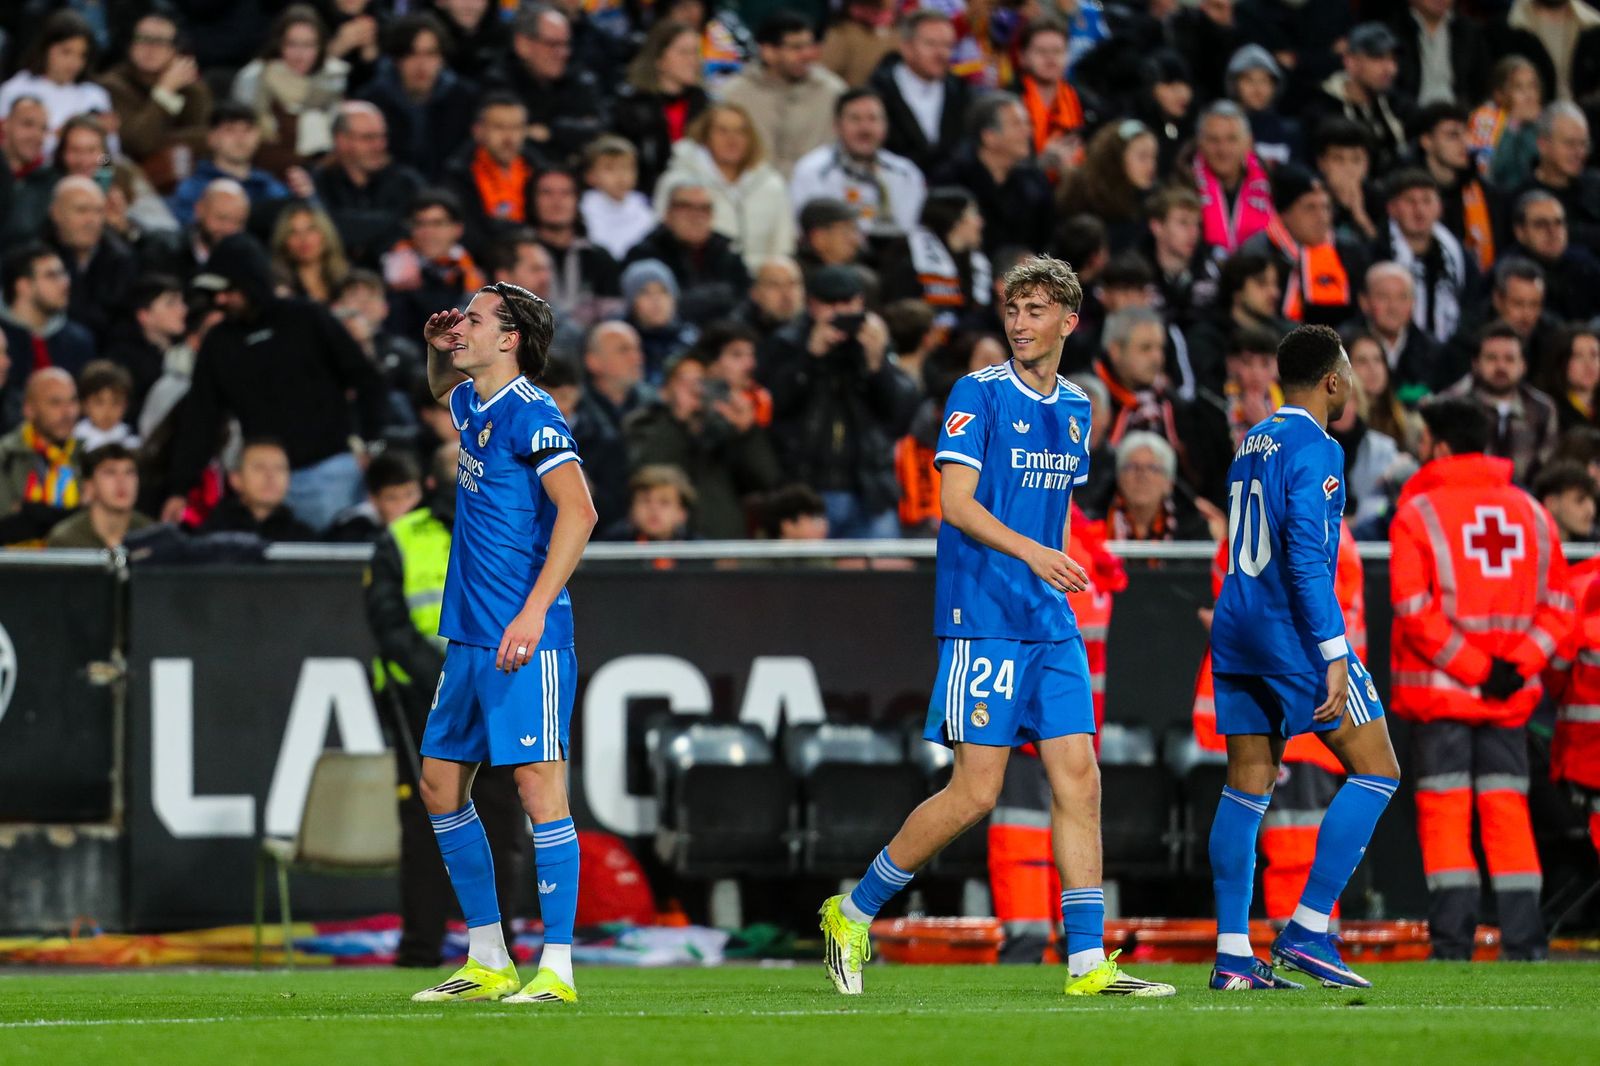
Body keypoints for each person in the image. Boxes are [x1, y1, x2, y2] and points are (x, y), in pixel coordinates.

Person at [817, 255, 1173, 998]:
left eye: (1036, 310)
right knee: (977, 792)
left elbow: (1053, 512)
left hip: (1048, 619)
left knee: (1080, 778)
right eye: (1013, 309)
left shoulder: (1077, 407)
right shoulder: (976, 393)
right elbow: (955, 504)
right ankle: (852, 912)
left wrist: (1060, 562)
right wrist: (1036, 553)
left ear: (1069, 321)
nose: (1019, 323)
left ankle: (1087, 963)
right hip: (982, 616)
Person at [410, 279, 598, 1005]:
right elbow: (441, 389)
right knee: (438, 783)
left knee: (537, 786)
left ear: (510, 339)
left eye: (475, 319)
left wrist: (533, 612)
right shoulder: (472, 402)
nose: (462, 325)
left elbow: (579, 512)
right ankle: (488, 956)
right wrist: (438, 348)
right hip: (469, 634)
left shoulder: (533, 413)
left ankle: (558, 968)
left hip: (525, 636)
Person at [1205, 324, 1402, 992]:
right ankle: (1310, 928)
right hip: (1289, 632)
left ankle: (1233, 955)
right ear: (1331, 381)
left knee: (1246, 786)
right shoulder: (1318, 447)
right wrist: (1335, 650)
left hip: (1236, 626)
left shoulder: (1251, 442)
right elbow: (1306, 558)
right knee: (1378, 770)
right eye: (1349, 375)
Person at [1390, 395, 1575, 961]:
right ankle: (1525, 941)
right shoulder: (1532, 512)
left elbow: (1413, 608)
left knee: (1447, 817)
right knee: (1508, 814)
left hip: (1444, 697)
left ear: (1441, 446)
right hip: (1509, 700)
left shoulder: (1418, 513)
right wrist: (1513, 668)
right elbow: (1560, 606)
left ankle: (1452, 943)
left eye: (1425, 442)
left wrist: (1478, 670)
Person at [365, 442, 527, 967]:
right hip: (422, 700)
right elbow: (390, 628)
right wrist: (452, 681)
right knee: (429, 819)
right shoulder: (401, 538)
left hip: (496, 690)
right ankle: (423, 948)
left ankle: (495, 948)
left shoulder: (511, 528)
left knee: (498, 816)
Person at [163, 234, 386, 533]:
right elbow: (201, 419)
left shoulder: (307, 318)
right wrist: (180, 487)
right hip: (261, 482)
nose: (221, 300)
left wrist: (372, 442)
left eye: (229, 291)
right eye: (216, 294)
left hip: (329, 471)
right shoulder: (219, 342)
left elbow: (366, 379)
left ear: (251, 283)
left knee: (334, 558)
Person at [762, 265, 918, 539]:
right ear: (812, 304)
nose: (839, 312)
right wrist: (811, 358)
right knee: (812, 567)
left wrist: (876, 364)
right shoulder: (787, 342)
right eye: (829, 304)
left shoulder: (874, 341)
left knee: (880, 567)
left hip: (869, 490)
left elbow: (899, 414)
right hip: (807, 490)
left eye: (846, 303)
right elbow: (775, 407)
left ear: (860, 302)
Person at [623, 352, 780, 539]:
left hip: (723, 544)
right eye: (685, 381)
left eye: (702, 381)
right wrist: (677, 420)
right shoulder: (645, 424)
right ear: (665, 390)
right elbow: (647, 473)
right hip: (669, 542)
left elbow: (766, 481)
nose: (696, 389)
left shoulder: (726, 431)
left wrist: (747, 433)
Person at [652, 102, 796, 272]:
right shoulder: (677, 183)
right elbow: (663, 235)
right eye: (722, 131)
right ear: (705, 136)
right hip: (701, 276)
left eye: (740, 131)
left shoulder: (772, 185)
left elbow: (782, 245)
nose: (732, 139)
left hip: (762, 278)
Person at [719, 11, 847, 180]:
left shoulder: (832, 92)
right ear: (768, 52)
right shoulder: (734, 95)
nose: (807, 55)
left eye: (809, 46)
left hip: (816, 189)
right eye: (796, 48)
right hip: (752, 189)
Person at [788, 89, 927, 238]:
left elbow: (915, 231)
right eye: (855, 119)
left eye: (873, 119)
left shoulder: (907, 174)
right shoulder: (812, 171)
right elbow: (804, 232)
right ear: (837, 125)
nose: (865, 129)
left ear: (886, 125)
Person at [357, 12, 478, 183]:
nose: (422, 65)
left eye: (430, 54)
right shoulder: (371, 102)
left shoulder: (465, 99)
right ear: (397, 59)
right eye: (412, 54)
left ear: (442, 58)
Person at [230, 4, 349, 175]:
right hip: (264, 170)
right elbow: (240, 136)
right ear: (279, 44)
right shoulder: (254, 77)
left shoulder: (332, 78)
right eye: (292, 44)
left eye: (309, 45)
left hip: (322, 173)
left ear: (320, 47)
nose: (300, 55)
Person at [932, 92, 1053, 260]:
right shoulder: (951, 180)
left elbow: (1046, 241)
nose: (1028, 131)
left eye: (1027, 123)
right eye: (1017, 124)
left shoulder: (1035, 182)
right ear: (989, 137)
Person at [1439, 322, 1560, 487]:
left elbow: (1545, 470)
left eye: (1509, 359)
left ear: (1523, 365)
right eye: (1492, 358)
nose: (1501, 366)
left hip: (1525, 497)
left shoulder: (1542, 408)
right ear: (1476, 363)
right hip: (1464, 492)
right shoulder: (1453, 404)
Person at [1239, 165, 1359, 330]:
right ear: (1284, 213)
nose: (1322, 217)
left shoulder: (1348, 250)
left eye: (1326, 207)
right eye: (1310, 208)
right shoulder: (1258, 252)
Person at [486, 5, 606, 169]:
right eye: (552, 44)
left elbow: (600, 128)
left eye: (566, 44)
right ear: (523, 44)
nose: (563, 53)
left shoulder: (580, 80)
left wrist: (552, 130)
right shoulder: (498, 83)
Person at [97, 10, 213, 176]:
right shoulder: (111, 85)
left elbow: (206, 140)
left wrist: (157, 138)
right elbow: (138, 144)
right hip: (120, 173)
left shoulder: (190, 87)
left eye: (160, 42)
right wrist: (164, 91)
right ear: (130, 45)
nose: (150, 48)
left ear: (175, 49)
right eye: (143, 39)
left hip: (183, 176)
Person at [312, 102, 424, 269]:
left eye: (382, 137)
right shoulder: (318, 182)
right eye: (368, 138)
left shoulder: (407, 182)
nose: (379, 146)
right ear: (341, 140)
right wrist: (390, 223)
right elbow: (324, 230)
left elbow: (417, 229)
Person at [626, 181, 751, 326]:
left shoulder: (727, 252)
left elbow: (746, 300)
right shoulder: (645, 254)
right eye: (686, 207)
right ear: (667, 214)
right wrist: (719, 296)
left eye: (705, 209)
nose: (696, 216)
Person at [166, 102, 303, 229]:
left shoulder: (268, 185)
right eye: (230, 130)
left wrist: (305, 198)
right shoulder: (193, 187)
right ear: (212, 138)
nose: (240, 138)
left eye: (248, 129)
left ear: (258, 136)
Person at [1376, 169, 1472, 347]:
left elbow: (1471, 304)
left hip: (1449, 348)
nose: (1419, 210)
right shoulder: (1378, 253)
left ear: (1439, 208)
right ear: (1392, 208)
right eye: (1410, 201)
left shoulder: (1457, 253)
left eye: (1427, 201)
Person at [610, 20, 709, 191]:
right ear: (659, 60)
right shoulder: (630, 106)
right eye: (684, 53)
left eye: (696, 52)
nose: (693, 61)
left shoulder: (707, 106)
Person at [868, 11, 970, 175]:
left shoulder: (962, 92)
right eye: (931, 44)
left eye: (947, 45)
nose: (941, 54)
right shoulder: (877, 93)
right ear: (906, 48)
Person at [0, 11, 112, 155]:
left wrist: (104, 174)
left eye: (82, 55)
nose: (74, 63)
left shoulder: (95, 96)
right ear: (46, 48)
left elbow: (108, 156)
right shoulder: (15, 90)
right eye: (66, 52)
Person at [1304, 22, 1408, 173]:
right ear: (1350, 62)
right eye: (1378, 58)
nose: (1390, 69)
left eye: (1393, 60)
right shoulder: (1322, 111)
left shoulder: (1398, 106)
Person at [382, 190, 484, 339]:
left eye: (437, 223)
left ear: (457, 228)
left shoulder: (473, 272)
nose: (428, 232)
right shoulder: (392, 268)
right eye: (420, 224)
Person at [1414, 102, 1498, 273]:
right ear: (1426, 141)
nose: (1466, 143)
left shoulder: (1487, 193)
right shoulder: (1408, 193)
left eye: (1466, 133)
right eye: (1453, 135)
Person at [1345, 261, 1446, 397]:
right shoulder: (1343, 346)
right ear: (1364, 302)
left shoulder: (1433, 351)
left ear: (1413, 303)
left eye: (1402, 297)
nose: (1393, 307)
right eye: (1383, 297)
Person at [0, 368, 80, 539]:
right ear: (29, 410)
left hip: (80, 555)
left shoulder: (88, 455)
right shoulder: (5, 456)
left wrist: (29, 512)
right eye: (55, 403)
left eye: (73, 401)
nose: (68, 412)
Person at [1057, 121, 1157, 256]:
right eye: (1142, 157)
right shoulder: (1081, 198)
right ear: (1116, 158)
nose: (1151, 166)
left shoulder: (1149, 200)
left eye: (1153, 157)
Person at [0, 242, 95, 380]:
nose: (65, 282)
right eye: (52, 275)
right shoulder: (3, 337)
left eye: (63, 273)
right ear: (23, 286)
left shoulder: (78, 341)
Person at [1013, 17, 1094, 178]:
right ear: (1022, 57)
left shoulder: (1087, 103)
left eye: (1057, 51)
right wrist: (1039, 165)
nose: (1050, 58)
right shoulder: (1008, 102)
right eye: (1041, 51)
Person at [1192, 101, 1273, 256]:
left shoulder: (1273, 185)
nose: (1223, 149)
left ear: (1248, 143)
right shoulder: (1182, 184)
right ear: (1200, 143)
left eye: (1232, 139)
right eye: (1213, 140)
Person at [1506, 189, 1600, 322]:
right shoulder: (1508, 272)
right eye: (1540, 224)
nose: (1552, 231)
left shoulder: (1584, 263)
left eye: (1559, 222)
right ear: (1520, 232)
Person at [197, 437, 317, 541]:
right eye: (259, 467)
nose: (270, 476)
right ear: (235, 479)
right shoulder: (210, 536)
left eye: (279, 468)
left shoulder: (305, 540)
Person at [1517, 102, 1600, 250]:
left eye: (1583, 144)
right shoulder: (1522, 197)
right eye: (1570, 144)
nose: (1579, 152)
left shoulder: (1595, 185)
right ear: (1543, 145)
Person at [1104, 431, 1212, 541]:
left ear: (1169, 483)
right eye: (1132, 467)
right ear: (1119, 478)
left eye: (1152, 468)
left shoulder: (1193, 527)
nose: (1142, 476)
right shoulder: (1097, 520)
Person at [45, 442, 152, 549]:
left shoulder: (151, 535)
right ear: (89, 485)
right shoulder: (66, 539)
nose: (122, 481)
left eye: (129, 472)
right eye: (110, 472)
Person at [1391, 0, 1494, 108]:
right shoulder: (1393, 31)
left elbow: (1481, 83)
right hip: (1408, 113)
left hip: (1459, 112)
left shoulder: (1469, 31)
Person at [1466, 55, 1544, 190]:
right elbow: (1487, 174)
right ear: (1499, 95)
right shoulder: (1484, 120)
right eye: (1519, 88)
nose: (1529, 95)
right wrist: (1513, 124)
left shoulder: (1543, 121)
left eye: (1533, 86)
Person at [578, 136, 655, 263]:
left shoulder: (643, 206)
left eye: (627, 167)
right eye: (610, 168)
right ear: (590, 176)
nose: (621, 176)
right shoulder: (583, 208)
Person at [327, 450, 424, 543]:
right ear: (373, 499)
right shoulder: (353, 532)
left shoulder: (429, 519)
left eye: (410, 494)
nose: (404, 505)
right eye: (392, 498)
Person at [0, 96, 56, 249]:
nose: (36, 135)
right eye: (27, 124)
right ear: (5, 125)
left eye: (43, 129)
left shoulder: (51, 182)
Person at [269, 202, 349, 303]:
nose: (303, 239)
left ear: (325, 234)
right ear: (283, 241)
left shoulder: (348, 279)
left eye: (311, 229)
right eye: (293, 232)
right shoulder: (275, 286)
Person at [601, 463, 694, 543]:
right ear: (631, 509)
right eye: (645, 500)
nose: (653, 508)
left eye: (664, 502)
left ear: (682, 513)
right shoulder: (608, 547)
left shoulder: (699, 550)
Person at [1541, 325, 1600, 431]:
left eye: (1594, 355)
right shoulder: (1547, 410)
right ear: (1561, 363)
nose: (1589, 365)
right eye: (1578, 356)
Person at [73, 360, 137, 451]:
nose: (108, 411)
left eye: (116, 402)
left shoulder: (131, 442)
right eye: (99, 402)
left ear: (126, 405)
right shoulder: (74, 442)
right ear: (84, 405)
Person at [1534, 460, 1597, 542]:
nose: (1591, 510)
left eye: (1592, 499)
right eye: (1579, 500)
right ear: (1551, 503)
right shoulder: (1528, 544)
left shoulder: (1594, 541)